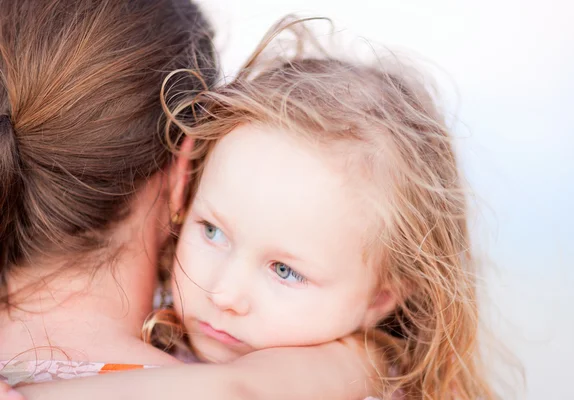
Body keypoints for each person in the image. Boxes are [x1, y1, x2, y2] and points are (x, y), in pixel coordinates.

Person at [6, 19, 495, 399]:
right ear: (185, 186)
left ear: (381, 299)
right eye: (213, 232)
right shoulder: (167, 316)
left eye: (285, 270)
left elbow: (239, 392)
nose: (224, 293)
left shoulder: (349, 376)